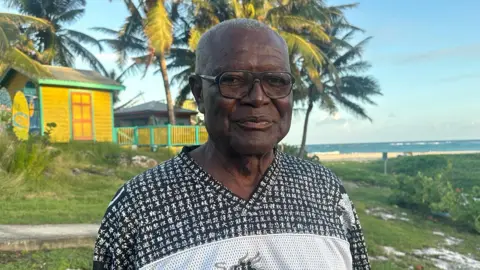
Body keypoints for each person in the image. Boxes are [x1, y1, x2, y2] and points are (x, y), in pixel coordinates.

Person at [93, 18, 370, 270]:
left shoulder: (325, 190)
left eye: (275, 81)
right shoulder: (140, 206)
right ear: (199, 94)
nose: (258, 98)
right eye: (234, 80)